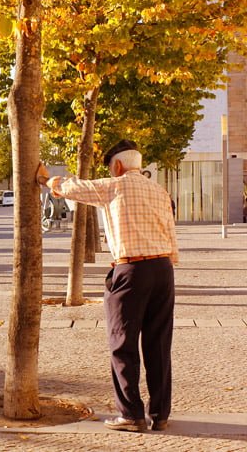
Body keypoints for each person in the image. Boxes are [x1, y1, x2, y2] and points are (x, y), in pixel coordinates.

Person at [39, 139, 178, 433]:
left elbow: (73, 187)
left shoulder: (114, 186)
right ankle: (160, 414)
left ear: (117, 165)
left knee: (122, 343)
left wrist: (45, 177)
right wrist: (165, 263)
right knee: (159, 343)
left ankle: (131, 414)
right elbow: (170, 232)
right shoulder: (160, 191)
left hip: (131, 269)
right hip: (163, 268)